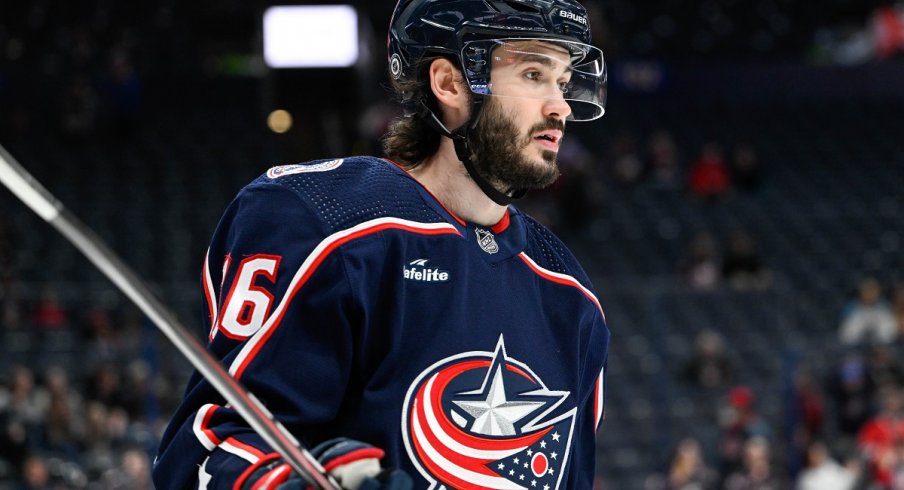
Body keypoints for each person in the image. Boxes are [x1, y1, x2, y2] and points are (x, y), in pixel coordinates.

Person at [152, 1, 611, 489]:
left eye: (562, 82)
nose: (560, 105)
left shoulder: (570, 295)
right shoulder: (323, 222)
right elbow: (207, 454)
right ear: (449, 82)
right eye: (534, 74)